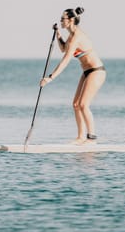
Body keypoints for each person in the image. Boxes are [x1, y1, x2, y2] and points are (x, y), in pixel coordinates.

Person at [40, 7, 106, 145]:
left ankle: (92, 138)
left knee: (83, 105)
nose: (60, 21)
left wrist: (50, 78)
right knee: (75, 104)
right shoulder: (71, 36)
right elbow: (64, 48)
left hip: (96, 71)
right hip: (87, 72)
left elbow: (65, 59)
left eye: (62, 19)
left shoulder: (77, 37)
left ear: (70, 20)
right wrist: (58, 34)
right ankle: (81, 137)